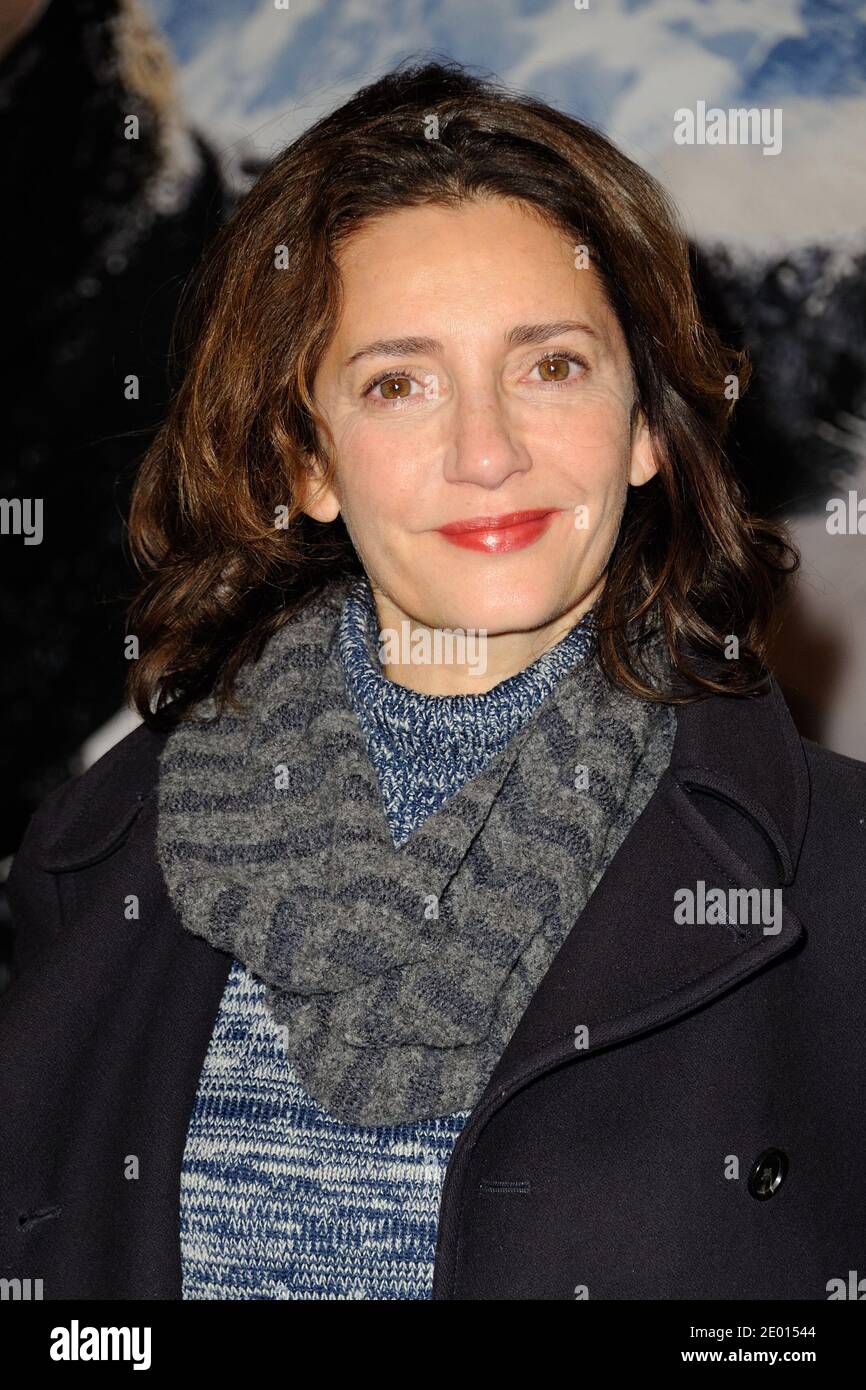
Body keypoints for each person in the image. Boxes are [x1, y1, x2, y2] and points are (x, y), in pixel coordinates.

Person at [2, 58, 865, 1302]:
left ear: (639, 426)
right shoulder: (96, 854)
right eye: (398, 382)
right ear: (305, 462)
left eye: (549, 365)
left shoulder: (834, 881)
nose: (485, 450)